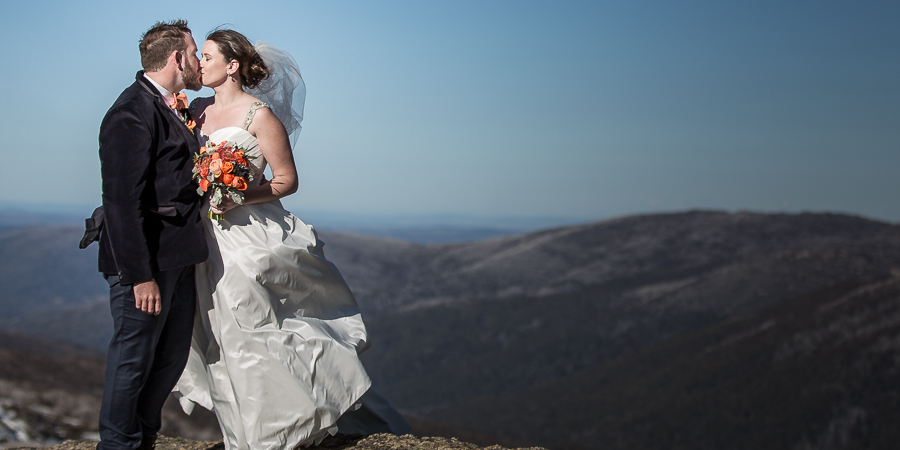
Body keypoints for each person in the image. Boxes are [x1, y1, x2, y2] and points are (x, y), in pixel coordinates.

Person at [172, 29, 410, 449]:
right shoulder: (196, 110)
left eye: (207, 56)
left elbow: (287, 181)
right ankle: (240, 436)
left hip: (248, 235)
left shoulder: (259, 116)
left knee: (248, 328)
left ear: (231, 65)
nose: (199, 63)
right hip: (203, 237)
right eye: (200, 56)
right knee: (217, 336)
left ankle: (280, 431)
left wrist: (240, 194)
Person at [92, 20, 208, 450]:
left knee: (171, 358)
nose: (199, 61)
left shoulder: (168, 105)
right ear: (177, 58)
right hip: (144, 264)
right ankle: (119, 444)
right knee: (133, 358)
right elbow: (122, 201)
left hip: (179, 256)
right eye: (195, 53)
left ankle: (144, 438)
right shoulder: (130, 112)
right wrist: (139, 275)